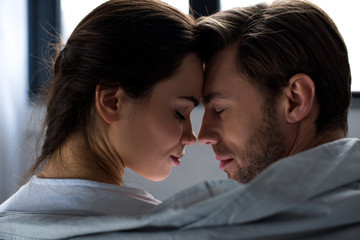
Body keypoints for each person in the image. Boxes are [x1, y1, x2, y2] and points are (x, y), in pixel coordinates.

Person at [0, 0, 203, 216]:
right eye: (180, 113)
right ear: (111, 102)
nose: (192, 137)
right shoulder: (166, 228)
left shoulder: (7, 219)